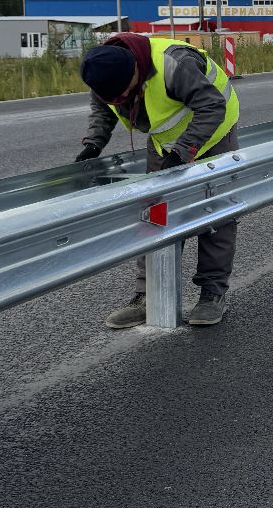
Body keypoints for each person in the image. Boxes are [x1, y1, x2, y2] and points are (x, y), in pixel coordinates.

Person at [76, 33, 240, 329]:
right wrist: (93, 144)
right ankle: (147, 295)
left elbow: (212, 107)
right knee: (154, 214)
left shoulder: (175, 64)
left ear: (136, 71)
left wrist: (183, 153)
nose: (121, 101)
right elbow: (103, 109)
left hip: (214, 132)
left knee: (214, 212)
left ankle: (212, 293)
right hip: (166, 141)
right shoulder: (103, 72)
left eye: (126, 94)